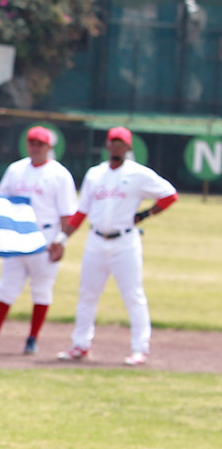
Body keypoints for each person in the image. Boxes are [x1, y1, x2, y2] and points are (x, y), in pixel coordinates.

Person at [57, 126, 177, 366]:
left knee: (133, 296)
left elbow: (169, 195)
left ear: (129, 146)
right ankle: (80, 344)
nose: (117, 147)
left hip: (125, 242)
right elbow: (81, 211)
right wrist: (62, 239)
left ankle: (140, 349)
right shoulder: (95, 174)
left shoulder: (138, 174)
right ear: (107, 145)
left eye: (121, 143)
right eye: (114, 142)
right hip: (95, 240)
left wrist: (144, 214)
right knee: (87, 295)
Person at [0, 126, 78, 357]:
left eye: (40, 144)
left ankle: (32, 339)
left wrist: (62, 241)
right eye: (32, 143)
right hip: (17, 237)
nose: (35, 147)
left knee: (41, 290)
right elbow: (1, 203)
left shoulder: (59, 174)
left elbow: (67, 214)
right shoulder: (16, 170)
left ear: (49, 146)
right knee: (5, 288)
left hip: (45, 237)